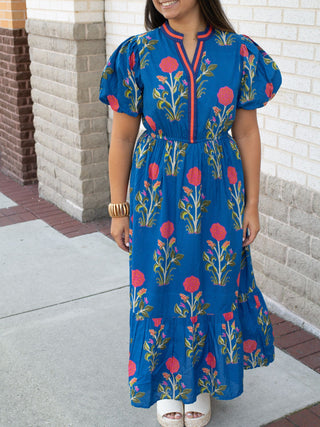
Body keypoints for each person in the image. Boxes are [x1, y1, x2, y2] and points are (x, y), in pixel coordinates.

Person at [99, 0, 282, 425]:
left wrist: (253, 204)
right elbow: (123, 139)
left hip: (220, 188)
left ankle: (200, 383)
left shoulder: (237, 52)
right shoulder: (137, 52)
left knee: (215, 284)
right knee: (158, 285)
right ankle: (165, 382)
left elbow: (247, 131)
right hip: (155, 193)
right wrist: (118, 208)